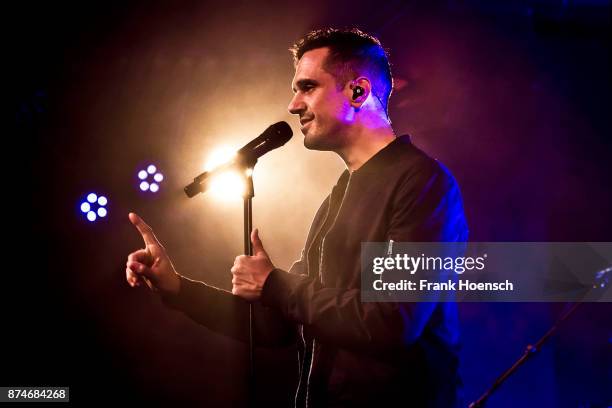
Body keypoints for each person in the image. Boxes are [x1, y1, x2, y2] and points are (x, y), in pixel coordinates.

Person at [126, 28, 468, 407]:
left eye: (307, 87)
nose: (293, 105)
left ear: (358, 92)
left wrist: (275, 284)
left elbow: (394, 320)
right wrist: (177, 287)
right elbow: (279, 325)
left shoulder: (421, 183)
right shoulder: (338, 197)